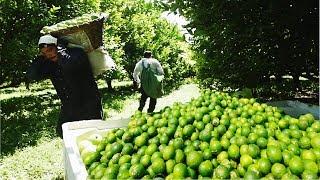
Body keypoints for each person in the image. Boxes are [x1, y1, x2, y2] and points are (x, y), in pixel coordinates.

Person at [27, 35, 103, 138]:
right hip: (70, 106)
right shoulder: (49, 63)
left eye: (50, 50)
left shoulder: (77, 53)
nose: (48, 55)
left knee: (93, 133)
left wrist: (60, 48)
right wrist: (41, 57)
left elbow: (68, 65)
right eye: (45, 53)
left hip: (89, 103)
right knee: (62, 131)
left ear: (58, 46)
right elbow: (32, 75)